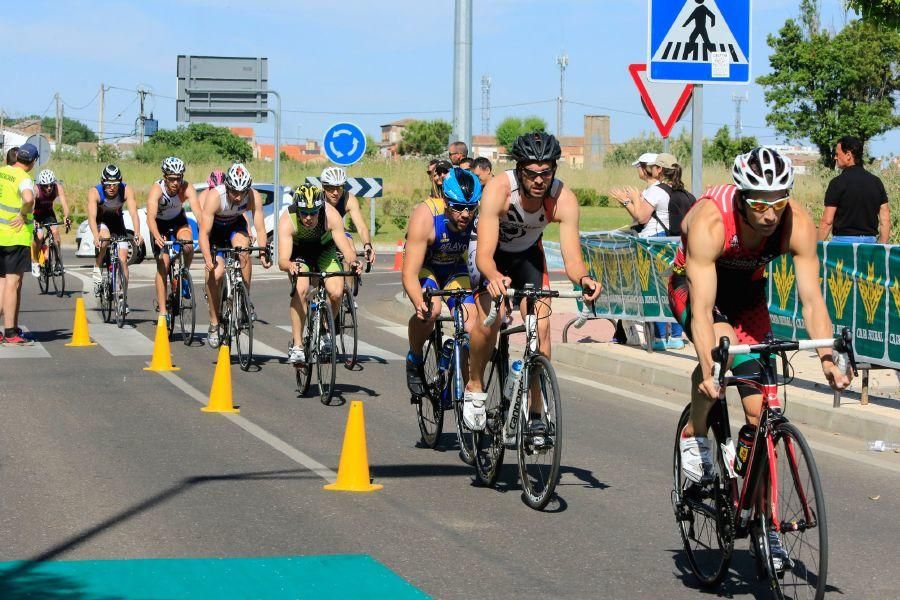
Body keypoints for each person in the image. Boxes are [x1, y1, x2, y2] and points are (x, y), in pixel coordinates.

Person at [670, 147, 850, 572]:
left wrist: (826, 354)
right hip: (693, 285)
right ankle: (695, 434)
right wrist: (710, 368)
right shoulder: (711, 222)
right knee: (721, 342)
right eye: (759, 203)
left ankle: (764, 524)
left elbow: (811, 298)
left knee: (762, 411)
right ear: (741, 197)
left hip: (747, 293)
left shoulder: (797, 223)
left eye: (779, 200)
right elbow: (701, 312)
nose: (770, 213)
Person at [468, 132, 602, 432]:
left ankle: (536, 410)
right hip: (490, 254)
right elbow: (485, 257)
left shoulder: (563, 198)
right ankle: (474, 385)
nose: (539, 180)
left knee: (541, 326)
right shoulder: (499, 190)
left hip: (527, 255)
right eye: (531, 173)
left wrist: (584, 279)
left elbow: (572, 259)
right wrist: (492, 277)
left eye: (546, 173)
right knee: (493, 317)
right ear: (519, 171)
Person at [403, 168, 481, 406]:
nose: (465, 214)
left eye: (471, 207)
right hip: (426, 268)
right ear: (446, 201)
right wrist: (419, 303)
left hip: (454, 269)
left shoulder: (479, 217)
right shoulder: (426, 216)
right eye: (458, 207)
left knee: (471, 325)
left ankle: (467, 393)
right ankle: (414, 358)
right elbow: (409, 273)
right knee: (431, 311)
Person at [610, 153, 688, 350]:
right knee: (672, 286)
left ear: (655, 169)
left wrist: (629, 200)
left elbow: (641, 218)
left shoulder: (655, 191)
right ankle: (676, 336)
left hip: (655, 240)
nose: (637, 169)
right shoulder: (673, 189)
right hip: (672, 240)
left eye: (640, 166)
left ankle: (660, 337)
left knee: (654, 287)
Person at [278, 183, 361, 364]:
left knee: (337, 291)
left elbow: (346, 249)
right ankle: (298, 346)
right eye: (304, 213)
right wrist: (290, 266)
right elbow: (282, 260)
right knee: (301, 289)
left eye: (313, 212)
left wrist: (354, 262)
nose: (308, 217)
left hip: (325, 251)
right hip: (300, 254)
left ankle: (325, 330)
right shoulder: (287, 219)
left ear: (320, 208)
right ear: (296, 210)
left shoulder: (331, 215)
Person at [198, 162, 271, 348]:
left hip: (234, 226)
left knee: (244, 249)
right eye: (234, 192)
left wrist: (263, 252)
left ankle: (245, 298)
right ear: (227, 187)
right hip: (215, 231)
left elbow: (260, 227)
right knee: (217, 273)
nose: (238, 197)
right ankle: (214, 323)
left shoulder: (252, 195)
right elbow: (204, 234)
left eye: (242, 192)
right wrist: (208, 259)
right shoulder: (216, 196)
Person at [146, 157, 202, 326]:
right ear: (165, 177)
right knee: (163, 263)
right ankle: (163, 312)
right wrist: (156, 236)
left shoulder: (186, 187)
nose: (176, 182)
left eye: (179, 178)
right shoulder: (157, 190)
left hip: (178, 221)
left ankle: (183, 274)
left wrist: (205, 231)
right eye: (172, 179)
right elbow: (150, 218)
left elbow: (198, 212)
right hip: (159, 225)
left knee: (188, 245)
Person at [817, 135, 890, 244]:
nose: (835, 158)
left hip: (843, 245)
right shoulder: (876, 182)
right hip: (870, 244)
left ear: (848, 155)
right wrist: (881, 247)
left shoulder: (837, 183)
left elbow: (827, 222)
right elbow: (885, 220)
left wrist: (815, 248)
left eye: (837, 154)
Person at [87, 164, 142, 308]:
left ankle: (123, 297)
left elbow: (134, 213)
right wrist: (95, 235)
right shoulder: (95, 192)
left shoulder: (126, 190)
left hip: (117, 223)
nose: (112, 187)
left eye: (115, 184)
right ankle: (98, 264)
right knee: (104, 238)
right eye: (108, 184)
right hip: (102, 222)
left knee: (123, 259)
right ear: (102, 182)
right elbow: (92, 217)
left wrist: (137, 233)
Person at [0, 142, 38, 345]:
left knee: (2, 284)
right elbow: (29, 198)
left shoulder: (2, 171)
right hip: (15, 236)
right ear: (32, 162)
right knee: (13, 284)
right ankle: (10, 332)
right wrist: (23, 214)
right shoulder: (24, 178)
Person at [320, 166, 375, 265]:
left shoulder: (349, 199)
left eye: (339, 187)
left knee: (350, 249)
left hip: (339, 230)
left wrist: (367, 245)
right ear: (323, 187)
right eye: (331, 188)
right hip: (320, 232)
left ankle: (350, 277)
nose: (335, 192)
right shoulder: (317, 200)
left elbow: (361, 227)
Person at [30, 169, 70, 277]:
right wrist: (33, 221)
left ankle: (58, 261)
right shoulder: (36, 190)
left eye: (51, 185)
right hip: (36, 215)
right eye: (46, 186)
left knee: (55, 231)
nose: (49, 188)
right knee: (40, 236)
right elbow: (31, 209)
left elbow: (65, 205)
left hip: (48, 214)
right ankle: (35, 261)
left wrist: (66, 217)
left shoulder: (57, 188)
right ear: (41, 185)